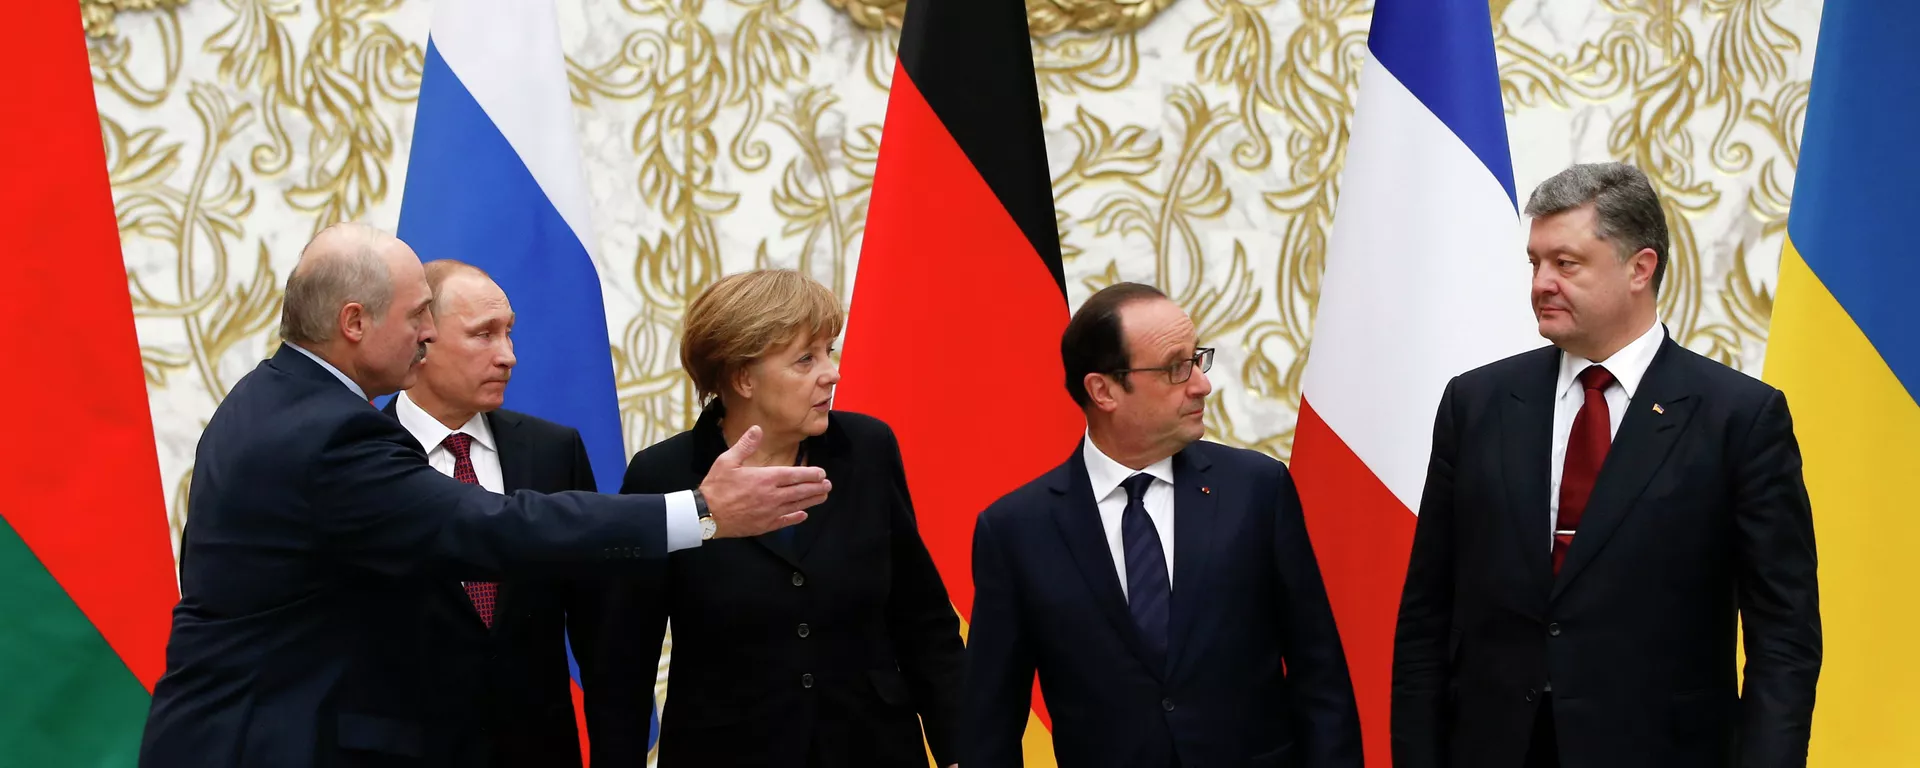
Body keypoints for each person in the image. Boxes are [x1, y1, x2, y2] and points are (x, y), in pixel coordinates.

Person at [139, 223, 830, 768]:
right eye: (417, 318)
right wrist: (700, 512)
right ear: (354, 323)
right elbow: (489, 525)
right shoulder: (330, 432)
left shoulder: (269, 398)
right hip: (269, 743)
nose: (428, 333)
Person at [1390, 162, 1821, 768]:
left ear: (1639, 268)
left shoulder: (1739, 419)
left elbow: (1785, 641)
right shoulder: (1476, 404)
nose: (1541, 282)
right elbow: (1426, 615)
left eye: (1566, 264)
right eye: (1535, 263)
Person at [573, 269, 965, 768]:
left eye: (829, 351)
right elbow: (624, 656)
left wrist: (961, 746)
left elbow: (921, 617)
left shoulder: (867, 449)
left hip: (871, 745)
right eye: (806, 359)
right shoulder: (663, 475)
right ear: (742, 378)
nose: (831, 372)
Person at [963, 282, 1363, 768]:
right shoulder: (1016, 531)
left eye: (1197, 359)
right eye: (1176, 368)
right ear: (1103, 390)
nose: (1201, 383)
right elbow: (992, 722)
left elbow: (1320, 675)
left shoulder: (1257, 490)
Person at [379, 259, 593, 766]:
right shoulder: (358, 458)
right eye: (484, 336)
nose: (509, 357)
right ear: (422, 340)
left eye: (509, 334)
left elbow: (597, 626)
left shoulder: (553, 450)